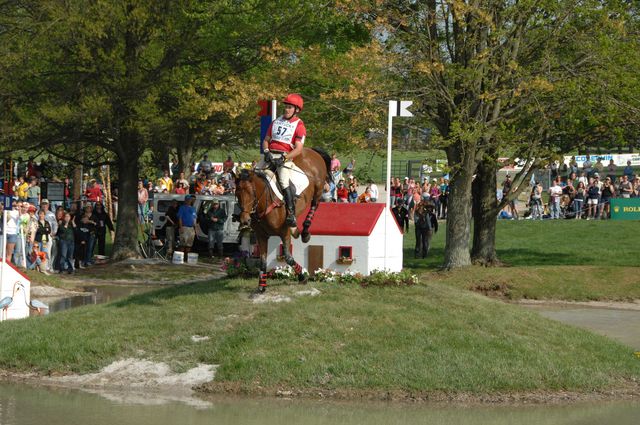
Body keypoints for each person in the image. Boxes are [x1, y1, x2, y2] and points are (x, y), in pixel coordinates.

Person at [262, 94, 307, 226]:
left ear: (296, 110)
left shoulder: (299, 126)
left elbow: (298, 149)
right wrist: (266, 151)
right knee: (254, 174)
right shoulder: (275, 122)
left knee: (283, 182)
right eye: (286, 107)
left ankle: (291, 213)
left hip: (285, 157)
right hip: (270, 155)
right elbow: (266, 140)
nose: (286, 109)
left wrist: (284, 158)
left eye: (289, 107)